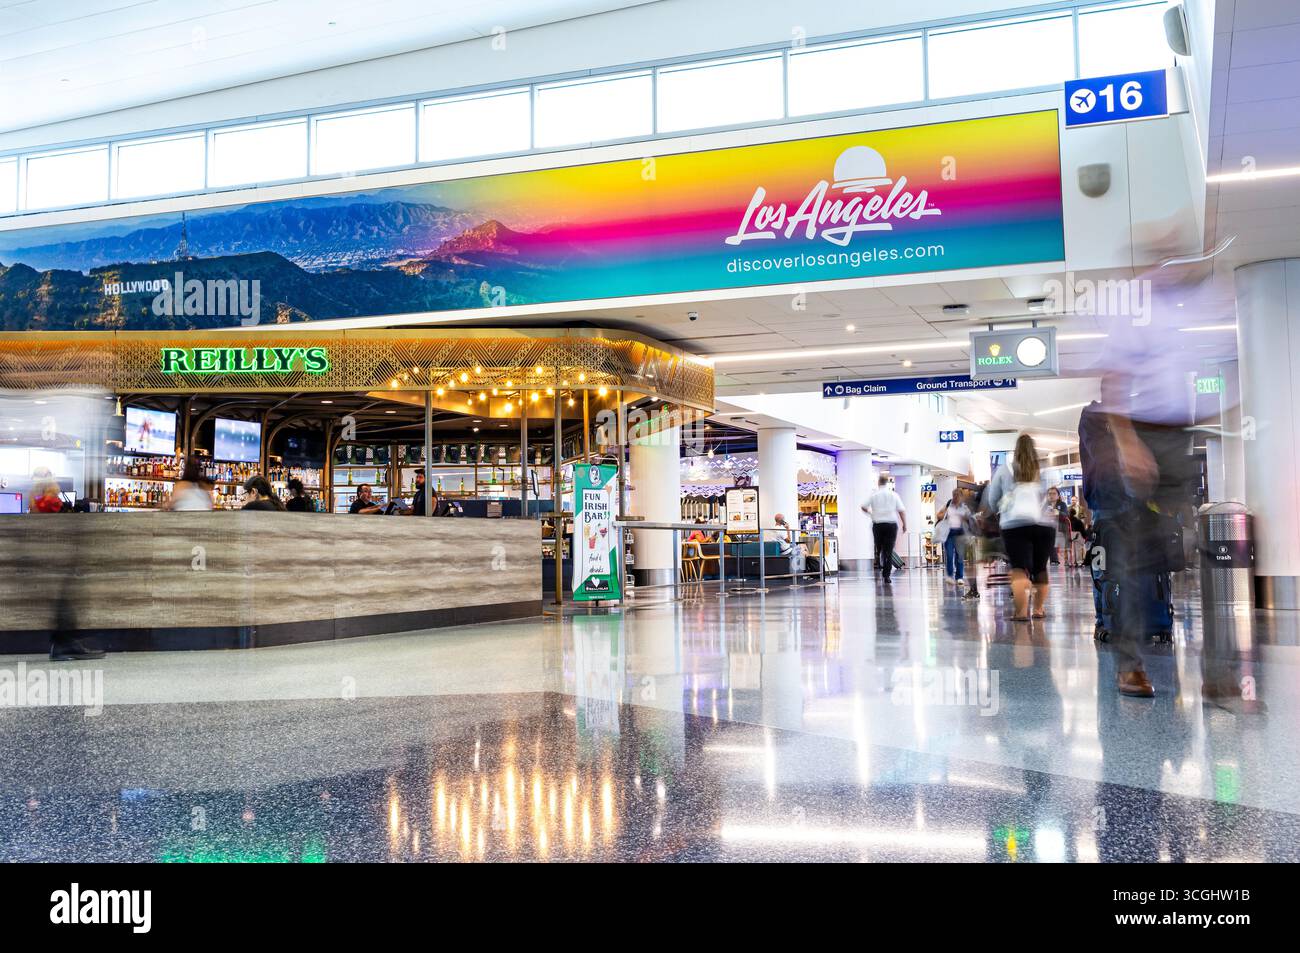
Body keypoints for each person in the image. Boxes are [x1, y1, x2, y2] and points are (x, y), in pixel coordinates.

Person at [985, 434, 1054, 623]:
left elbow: (992, 500)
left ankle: (1021, 613)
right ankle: (1038, 610)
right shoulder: (1044, 469)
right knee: (1040, 569)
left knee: (1018, 569)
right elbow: (1051, 496)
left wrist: (1001, 508)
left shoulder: (1004, 469)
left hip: (1013, 525)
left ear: (1016, 449)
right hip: (1044, 526)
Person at [864, 473, 907, 584]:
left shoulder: (874, 495)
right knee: (889, 550)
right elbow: (901, 510)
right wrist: (904, 524)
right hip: (891, 525)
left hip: (878, 524)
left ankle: (879, 554)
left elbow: (863, 506)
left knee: (880, 546)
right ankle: (886, 575)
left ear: (878, 482)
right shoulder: (894, 495)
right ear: (887, 482)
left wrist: (871, 513)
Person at [936, 488, 972, 588]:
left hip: (960, 533)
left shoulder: (964, 507)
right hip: (949, 533)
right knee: (949, 554)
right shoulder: (948, 504)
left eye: (957, 495)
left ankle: (959, 577)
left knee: (960, 556)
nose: (955, 497)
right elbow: (938, 515)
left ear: (961, 496)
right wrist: (944, 513)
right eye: (954, 495)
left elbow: (969, 518)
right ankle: (950, 576)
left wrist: (964, 517)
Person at [1047, 486, 1069, 565]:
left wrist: (1057, 512)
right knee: (1051, 543)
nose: (1051, 495)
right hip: (1048, 527)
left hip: (1060, 528)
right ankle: (1054, 560)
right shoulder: (1045, 505)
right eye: (1049, 494)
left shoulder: (1062, 504)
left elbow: (1066, 515)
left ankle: (1067, 561)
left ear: (1058, 495)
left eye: (1054, 493)